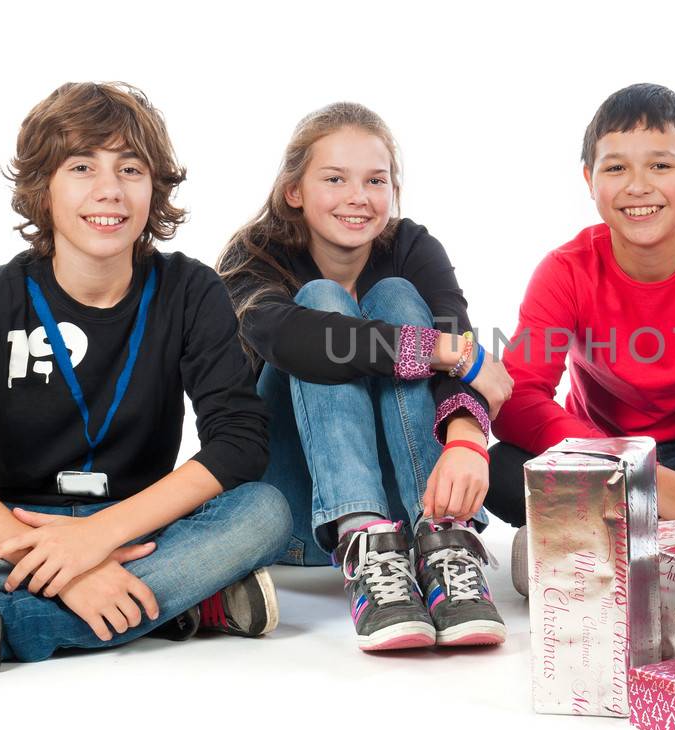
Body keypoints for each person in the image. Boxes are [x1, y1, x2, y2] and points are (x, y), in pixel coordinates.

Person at [0, 82, 289, 684]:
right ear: (44, 188)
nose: (109, 189)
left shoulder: (191, 290)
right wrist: (72, 565)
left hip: (136, 523)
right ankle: (185, 600)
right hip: (10, 524)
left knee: (265, 512)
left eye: (131, 168)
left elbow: (240, 442)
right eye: (82, 166)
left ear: (153, 187)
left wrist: (97, 539)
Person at [218, 103, 510, 651]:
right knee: (319, 303)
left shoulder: (409, 246)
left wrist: (469, 440)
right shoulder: (253, 256)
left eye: (375, 180)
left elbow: (458, 339)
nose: (359, 197)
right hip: (302, 514)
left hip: (411, 501)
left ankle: (445, 539)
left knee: (398, 293)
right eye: (335, 179)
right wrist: (442, 350)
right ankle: (363, 543)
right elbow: (292, 339)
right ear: (294, 191)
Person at [484, 83, 675, 592]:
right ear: (589, 179)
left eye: (661, 166)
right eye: (616, 168)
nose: (637, 186)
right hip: (601, 453)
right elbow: (518, 401)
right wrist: (643, 479)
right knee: (501, 469)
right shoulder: (565, 271)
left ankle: (586, 549)